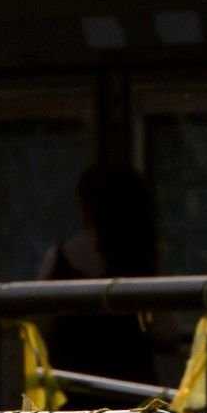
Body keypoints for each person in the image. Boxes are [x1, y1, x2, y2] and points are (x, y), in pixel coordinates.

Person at [44, 163, 164, 391]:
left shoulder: (60, 259)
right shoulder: (140, 260)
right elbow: (166, 334)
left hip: (72, 396)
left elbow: (39, 331)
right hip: (131, 394)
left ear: (85, 207)